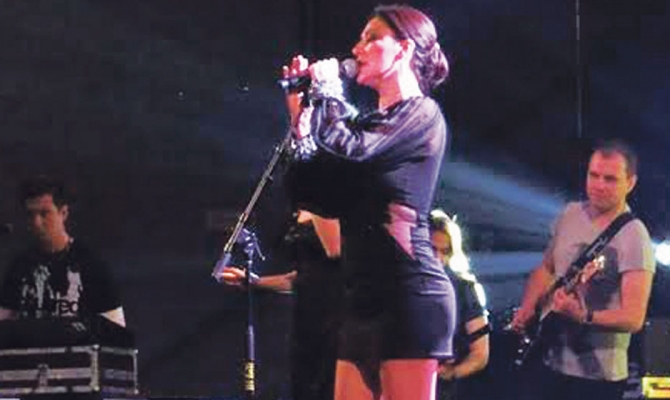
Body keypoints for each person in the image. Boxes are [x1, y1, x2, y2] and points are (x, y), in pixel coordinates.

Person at [282, 4, 455, 399]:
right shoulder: (364, 125)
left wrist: (328, 91)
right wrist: (301, 128)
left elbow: (353, 151)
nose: (357, 48)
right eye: (360, 39)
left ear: (404, 49)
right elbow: (315, 195)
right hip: (362, 299)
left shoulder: (421, 115)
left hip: (410, 296)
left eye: (372, 38)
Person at [509, 140, 656, 400]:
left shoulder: (635, 235)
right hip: (549, 360)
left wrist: (584, 316)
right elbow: (546, 268)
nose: (599, 185)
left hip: (598, 378)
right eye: (593, 175)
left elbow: (634, 317)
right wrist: (529, 306)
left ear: (630, 183)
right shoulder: (570, 213)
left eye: (610, 179)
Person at [219, 210, 342, 400]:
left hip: (335, 314)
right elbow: (302, 278)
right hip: (306, 316)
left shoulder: (329, 204)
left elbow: (334, 251)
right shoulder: (300, 208)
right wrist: (255, 281)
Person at [429, 209, 490, 400]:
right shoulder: (400, 285)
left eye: (445, 251)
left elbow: (480, 354)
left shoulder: (464, 289)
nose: (438, 258)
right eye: (432, 249)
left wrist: (452, 373)